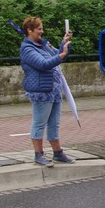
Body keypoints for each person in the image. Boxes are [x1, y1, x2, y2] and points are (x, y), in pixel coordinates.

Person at [20, 16, 76, 167]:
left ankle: (58, 153)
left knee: (54, 123)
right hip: (41, 91)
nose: (42, 32)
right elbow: (43, 64)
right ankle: (38, 155)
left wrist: (64, 43)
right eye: (39, 29)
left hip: (54, 90)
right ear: (29, 30)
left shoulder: (43, 45)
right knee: (39, 123)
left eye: (42, 28)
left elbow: (58, 55)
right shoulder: (27, 49)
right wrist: (61, 55)